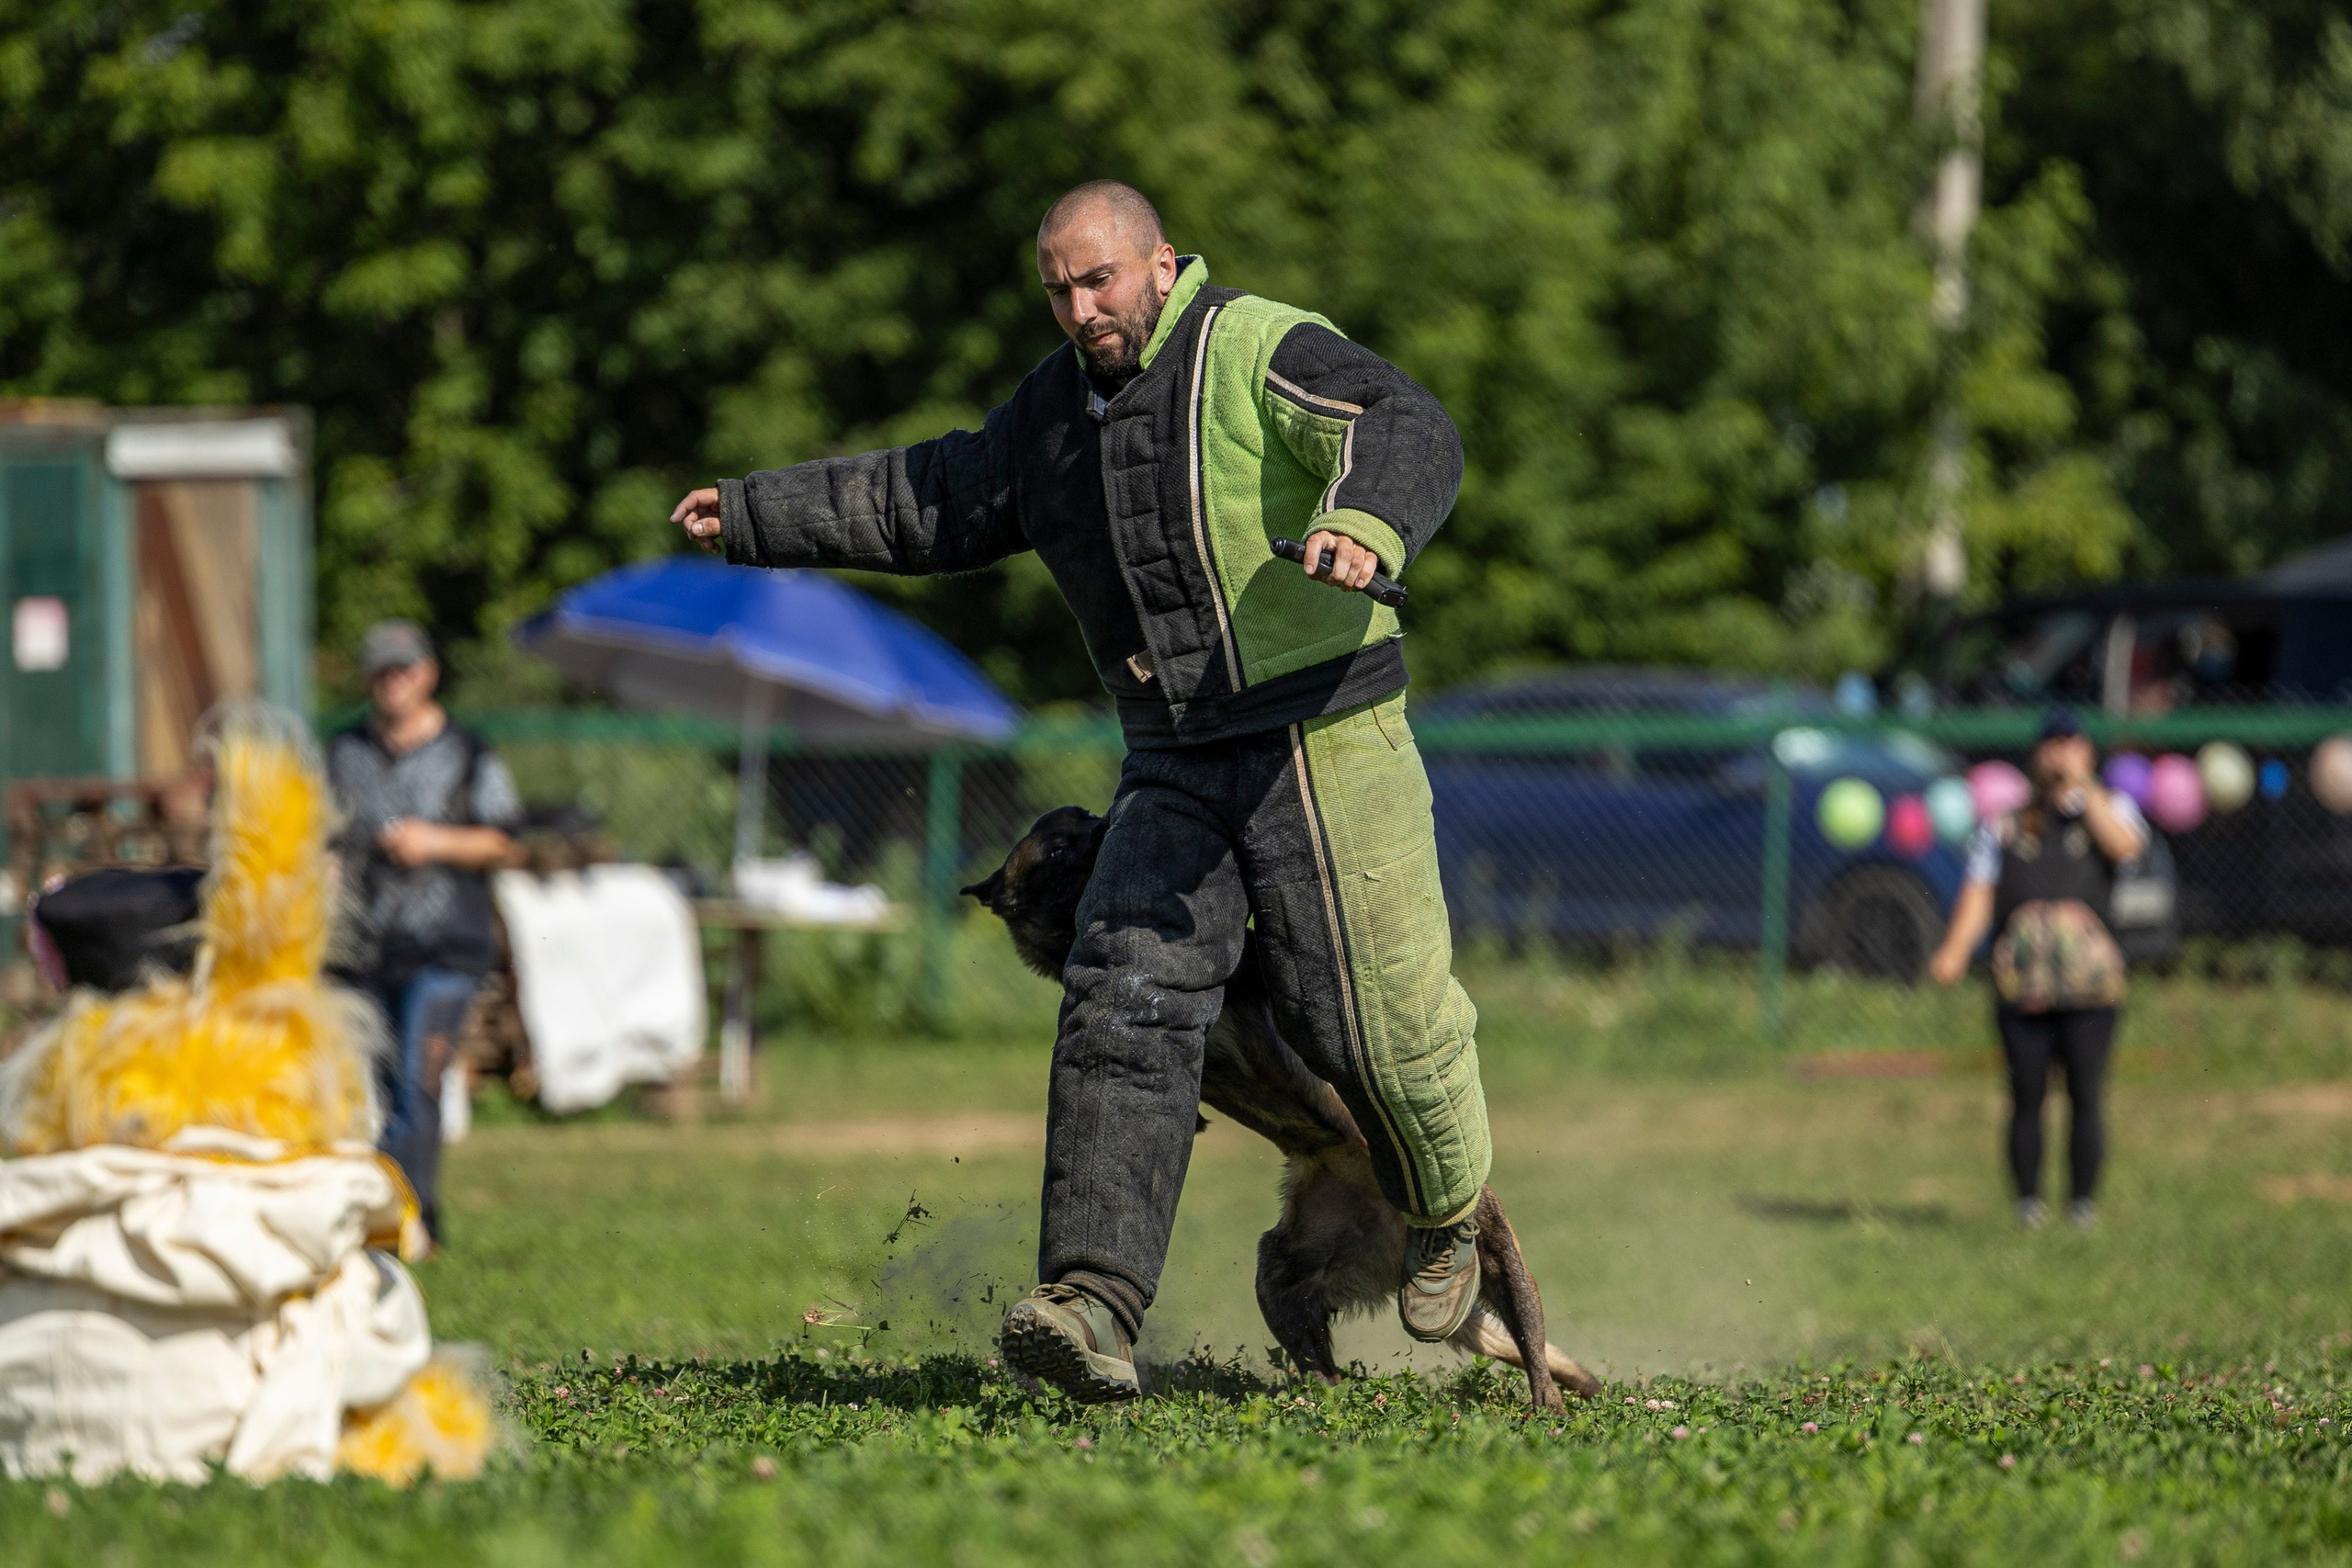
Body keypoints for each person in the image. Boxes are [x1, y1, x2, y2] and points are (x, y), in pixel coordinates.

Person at [673, 180, 1488, 1402]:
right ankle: (1093, 1300)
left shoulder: (1255, 345)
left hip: (1322, 723)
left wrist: (1366, 518)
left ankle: (1447, 1213)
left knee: (1372, 1017)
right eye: (1057, 286)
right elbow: (930, 497)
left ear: (1162, 263)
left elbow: (1404, 417)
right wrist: (753, 512)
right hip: (1174, 745)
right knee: (1121, 989)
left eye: (1098, 278)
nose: (1079, 305)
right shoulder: (1055, 416)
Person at [326, 620, 523, 1243]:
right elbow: (324, 834)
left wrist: (432, 840)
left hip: (445, 945)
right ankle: (399, 1216)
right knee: (380, 1090)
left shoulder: (468, 754)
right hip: (364, 946)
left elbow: (506, 841)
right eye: (383, 670)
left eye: (404, 668)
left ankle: (410, 1219)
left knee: (418, 1080)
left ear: (428, 672)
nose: (394, 681)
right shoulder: (343, 754)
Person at [1929, 710, 2148, 1230]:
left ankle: (2082, 1205)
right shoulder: (2006, 824)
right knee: (2026, 1093)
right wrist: (1955, 950)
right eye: (2052, 744)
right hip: (2023, 983)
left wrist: (2083, 787)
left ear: (2088, 752)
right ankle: (2028, 1203)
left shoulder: (2111, 810)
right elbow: (1980, 894)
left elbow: (2125, 848)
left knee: (2086, 1094)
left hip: (2089, 988)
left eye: (2071, 743)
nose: (2060, 753)